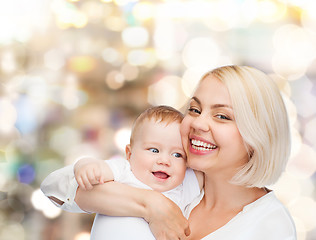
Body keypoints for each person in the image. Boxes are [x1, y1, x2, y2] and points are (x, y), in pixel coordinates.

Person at [43, 65, 297, 240]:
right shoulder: (173, 177)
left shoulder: (271, 225)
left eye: (222, 116)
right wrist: (151, 204)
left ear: (258, 135)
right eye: (195, 110)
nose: (198, 123)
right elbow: (56, 187)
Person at [41, 105, 203, 239]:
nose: (164, 161)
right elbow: (55, 184)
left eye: (177, 155)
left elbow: (212, 173)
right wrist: (85, 165)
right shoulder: (124, 171)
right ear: (129, 154)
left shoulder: (181, 187)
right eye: (154, 150)